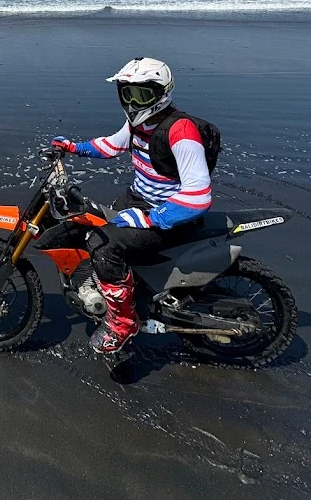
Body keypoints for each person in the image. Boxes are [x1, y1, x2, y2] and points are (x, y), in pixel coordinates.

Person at [40, 57, 213, 355]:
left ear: (161, 94)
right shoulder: (139, 124)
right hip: (139, 199)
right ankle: (127, 287)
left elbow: (198, 195)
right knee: (92, 221)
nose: (133, 102)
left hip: (171, 215)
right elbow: (112, 145)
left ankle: (123, 323)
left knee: (104, 247)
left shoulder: (181, 131)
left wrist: (149, 219)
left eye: (141, 95)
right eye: (127, 93)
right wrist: (73, 148)